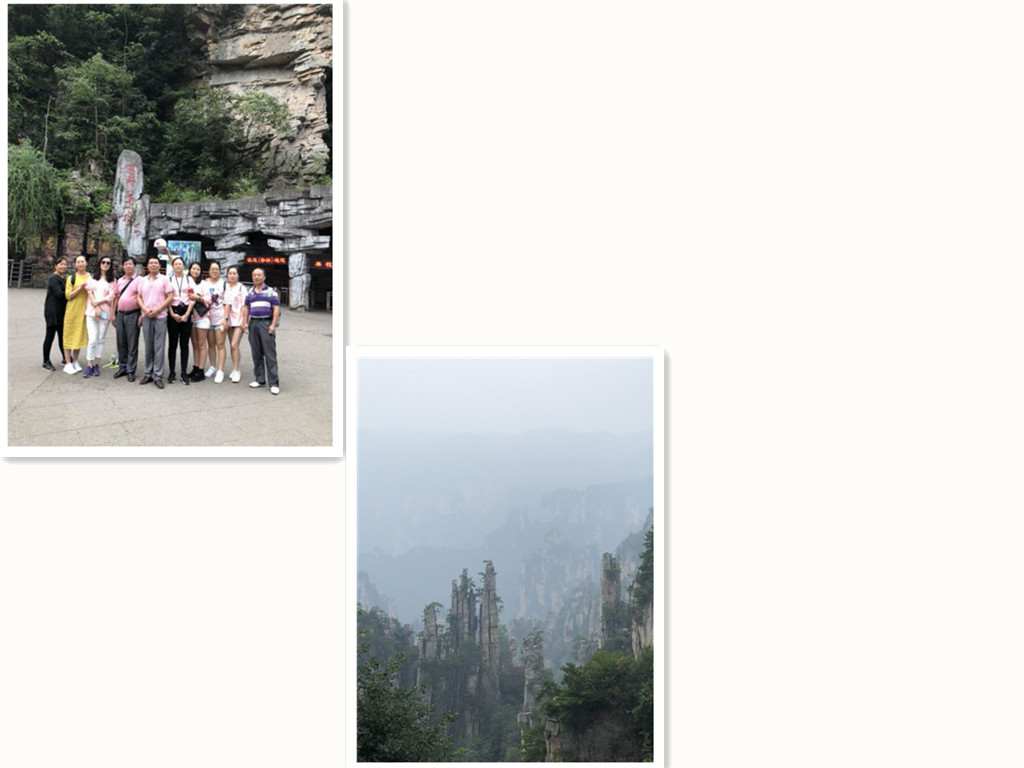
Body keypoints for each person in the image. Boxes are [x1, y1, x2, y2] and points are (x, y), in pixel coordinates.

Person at [241, 267, 281, 395]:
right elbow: (246, 307)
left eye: (259, 275)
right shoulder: (250, 292)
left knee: (270, 354)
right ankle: (260, 379)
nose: (256, 277)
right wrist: (244, 322)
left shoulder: (271, 292)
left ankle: (274, 383)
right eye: (254, 275)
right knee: (256, 353)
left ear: (264, 277)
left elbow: (276, 309)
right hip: (253, 323)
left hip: (266, 323)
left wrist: (273, 325)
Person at [137, 255, 173, 388]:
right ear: (147, 266)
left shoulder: (164, 279)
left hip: (160, 316)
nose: (153, 265)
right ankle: (148, 373)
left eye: (155, 263)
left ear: (159, 266)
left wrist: (158, 310)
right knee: (148, 345)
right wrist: (144, 309)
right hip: (146, 316)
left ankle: (157, 375)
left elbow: (170, 296)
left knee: (159, 346)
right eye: (151, 263)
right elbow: (139, 297)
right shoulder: (143, 280)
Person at [82, 257, 116, 378]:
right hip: (92, 312)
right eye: (103, 262)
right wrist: (95, 305)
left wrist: (98, 303)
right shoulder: (92, 279)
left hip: (105, 313)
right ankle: (89, 364)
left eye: (108, 263)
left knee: (101, 338)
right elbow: (89, 293)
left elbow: (111, 297)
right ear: (99, 264)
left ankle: (96, 364)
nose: (105, 264)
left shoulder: (112, 281)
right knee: (92, 339)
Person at [166, 256, 197, 385]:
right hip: (172, 312)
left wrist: (187, 315)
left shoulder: (189, 280)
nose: (178, 266)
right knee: (172, 344)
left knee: (184, 344)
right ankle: (172, 372)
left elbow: (192, 298)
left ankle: (184, 373)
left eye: (180, 264)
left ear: (183, 266)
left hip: (186, 311)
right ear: (173, 266)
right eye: (176, 264)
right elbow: (166, 298)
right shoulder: (168, 279)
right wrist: (172, 313)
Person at [196, 261, 227, 383]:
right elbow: (198, 296)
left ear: (219, 271)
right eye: (212, 269)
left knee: (220, 344)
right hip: (207, 319)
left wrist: (225, 319)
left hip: (220, 318)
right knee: (211, 344)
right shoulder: (204, 283)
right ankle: (213, 366)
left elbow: (227, 302)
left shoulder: (224, 283)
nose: (214, 271)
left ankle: (220, 370)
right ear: (208, 271)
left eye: (216, 269)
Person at [113, 257, 142, 381]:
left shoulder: (139, 280)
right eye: (126, 264)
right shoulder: (120, 280)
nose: (128, 266)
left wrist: (142, 315)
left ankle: (131, 370)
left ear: (134, 266)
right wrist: (113, 314)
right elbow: (116, 298)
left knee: (132, 343)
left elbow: (142, 297)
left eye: (130, 264)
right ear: (123, 266)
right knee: (121, 342)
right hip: (120, 314)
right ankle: (122, 367)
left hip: (133, 314)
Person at [62, 255, 90, 374]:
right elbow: (68, 296)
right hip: (72, 310)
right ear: (75, 265)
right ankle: (68, 363)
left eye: (82, 261)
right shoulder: (71, 278)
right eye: (78, 262)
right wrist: (79, 288)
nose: (80, 264)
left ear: (86, 263)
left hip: (84, 311)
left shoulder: (90, 277)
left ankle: (75, 361)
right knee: (68, 335)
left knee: (79, 336)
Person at [222, 265, 248, 383]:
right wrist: (225, 319)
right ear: (227, 275)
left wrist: (244, 321)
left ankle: (237, 370)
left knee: (234, 344)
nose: (232, 275)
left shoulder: (242, 288)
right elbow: (225, 304)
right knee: (232, 345)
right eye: (230, 273)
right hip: (228, 320)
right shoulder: (225, 287)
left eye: (234, 273)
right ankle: (234, 368)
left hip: (238, 320)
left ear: (238, 275)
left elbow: (245, 306)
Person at [42, 257, 68, 370]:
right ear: (56, 266)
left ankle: (65, 358)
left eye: (65, 264)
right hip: (52, 312)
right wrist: (72, 292)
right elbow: (59, 294)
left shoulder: (64, 278)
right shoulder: (53, 278)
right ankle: (46, 361)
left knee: (62, 337)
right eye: (61, 264)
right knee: (50, 336)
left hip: (62, 312)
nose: (63, 266)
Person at [187, 261, 206, 382]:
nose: (195, 271)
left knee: (201, 344)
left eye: (198, 269)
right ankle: (195, 367)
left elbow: (208, 299)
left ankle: (201, 370)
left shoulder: (204, 283)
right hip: (191, 317)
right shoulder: (186, 281)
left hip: (202, 317)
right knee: (194, 344)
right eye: (193, 268)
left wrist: (197, 297)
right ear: (190, 270)